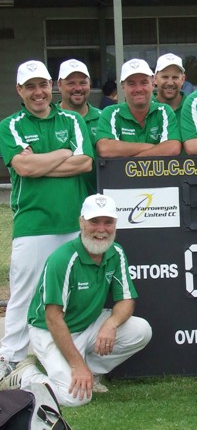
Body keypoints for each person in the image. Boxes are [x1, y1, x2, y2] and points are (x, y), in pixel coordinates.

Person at [0, 194, 152, 406]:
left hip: (87, 323)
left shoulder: (116, 252)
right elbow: (53, 318)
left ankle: (89, 373)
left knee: (141, 330)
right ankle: (24, 375)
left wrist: (110, 324)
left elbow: (126, 299)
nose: (101, 229)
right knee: (75, 398)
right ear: (81, 222)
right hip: (50, 331)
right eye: (94, 221)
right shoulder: (63, 259)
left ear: (115, 224)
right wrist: (76, 365)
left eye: (108, 222)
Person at [0, 60, 93, 382]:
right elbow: (23, 169)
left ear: (51, 86)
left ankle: (74, 360)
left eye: (42, 86)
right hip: (33, 223)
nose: (38, 93)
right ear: (19, 91)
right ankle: (10, 360)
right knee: (24, 294)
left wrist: (39, 162)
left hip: (73, 222)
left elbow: (84, 163)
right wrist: (62, 152)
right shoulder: (10, 125)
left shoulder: (71, 119)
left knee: (73, 297)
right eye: (30, 87)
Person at [95, 58, 181, 157]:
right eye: (131, 84)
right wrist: (156, 147)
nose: (138, 89)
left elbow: (173, 148)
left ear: (152, 84)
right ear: (123, 86)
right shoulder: (111, 112)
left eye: (144, 82)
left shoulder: (164, 111)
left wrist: (132, 161)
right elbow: (105, 149)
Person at [57, 59, 101, 194]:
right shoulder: (49, 119)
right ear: (59, 85)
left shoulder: (104, 119)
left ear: (90, 84)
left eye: (83, 83)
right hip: (62, 201)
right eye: (71, 83)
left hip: (98, 203)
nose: (78, 88)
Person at [154, 53, 188, 121]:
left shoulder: (192, 106)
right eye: (165, 77)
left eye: (175, 77)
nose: (170, 83)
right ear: (155, 79)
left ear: (182, 79)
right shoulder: (145, 107)